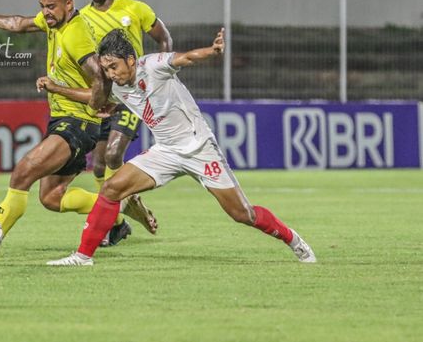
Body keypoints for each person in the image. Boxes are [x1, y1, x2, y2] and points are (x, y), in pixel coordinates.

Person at [47, 29, 317, 266]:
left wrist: (212, 51)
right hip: (165, 152)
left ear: (130, 60)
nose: (111, 74)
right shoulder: (118, 86)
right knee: (111, 188)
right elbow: (94, 98)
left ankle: (293, 239)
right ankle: (83, 256)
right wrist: (58, 89)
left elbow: (186, 57)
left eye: (114, 67)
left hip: (199, 149)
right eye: (106, 69)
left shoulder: (152, 66)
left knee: (242, 214)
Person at [0, 0, 155, 263]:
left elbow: (100, 79)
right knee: (52, 198)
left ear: (69, 4)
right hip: (65, 121)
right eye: (42, 6)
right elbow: (19, 24)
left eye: (51, 6)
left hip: (77, 123)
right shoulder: (54, 22)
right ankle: (118, 209)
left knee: (22, 173)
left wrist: (92, 103)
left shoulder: (76, 33)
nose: (45, 12)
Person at [80, 0, 172, 244]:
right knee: (97, 165)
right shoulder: (82, 17)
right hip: (103, 100)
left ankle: (113, 217)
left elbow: (164, 38)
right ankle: (121, 219)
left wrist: (161, 76)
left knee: (112, 155)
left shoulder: (134, 8)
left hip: (133, 97)